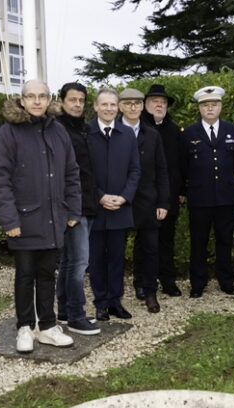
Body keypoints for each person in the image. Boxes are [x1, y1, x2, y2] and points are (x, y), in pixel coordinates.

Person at [0, 80, 82, 353]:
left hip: (55, 218)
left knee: (47, 274)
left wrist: (73, 210)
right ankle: (25, 327)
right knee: (25, 275)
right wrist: (10, 220)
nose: (37, 101)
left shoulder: (58, 131)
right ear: (22, 100)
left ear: (49, 98)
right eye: (31, 96)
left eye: (42, 96)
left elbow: (71, 173)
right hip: (24, 220)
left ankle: (48, 326)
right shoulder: (9, 132)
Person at [181, 86, 234, 298]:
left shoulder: (232, 130)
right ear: (199, 108)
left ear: (220, 107)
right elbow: (184, 165)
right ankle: (198, 283)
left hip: (225, 197)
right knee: (199, 242)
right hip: (200, 197)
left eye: (214, 104)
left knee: (225, 240)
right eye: (205, 105)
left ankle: (226, 281)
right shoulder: (189, 133)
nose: (210, 108)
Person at [86, 88, 141, 321]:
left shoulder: (127, 134)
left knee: (117, 258)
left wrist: (124, 196)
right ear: (96, 107)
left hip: (120, 207)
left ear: (118, 107)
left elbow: (135, 170)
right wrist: (100, 196)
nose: (108, 108)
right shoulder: (85, 133)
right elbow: (81, 173)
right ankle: (100, 302)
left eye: (112, 104)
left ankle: (115, 301)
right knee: (96, 258)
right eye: (104, 104)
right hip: (95, 208)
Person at [54, 82, 101, 336]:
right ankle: (76, 315)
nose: (77, 104)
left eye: (81, 100)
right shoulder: (58, 129)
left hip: (88, 204)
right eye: (72, 99)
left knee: (70, 260)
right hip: (73, 207)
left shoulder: (83, 129)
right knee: (79, 263)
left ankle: (63, 309)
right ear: (62, 101)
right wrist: (68, 209)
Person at [120, 88, 170, 313]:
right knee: (115, 250)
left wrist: (163, 202)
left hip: (148, 201)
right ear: (121, 106)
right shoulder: (113, 131)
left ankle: (148, 290)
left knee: (150, 248)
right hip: (119, 201)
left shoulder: (152, 135)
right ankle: (112, 296)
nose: (133, 108)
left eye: (137, 104)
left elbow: (162, 170)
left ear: (142, 107)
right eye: (128, 103)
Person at [141, 84, 184, 297]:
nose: (159, 105)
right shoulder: (137, 127)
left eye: (163, 103)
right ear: (145, 105)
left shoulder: (175, 131)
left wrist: (181, 190)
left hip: (169, 196)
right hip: (144, 197)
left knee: (167, 241)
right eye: (155, 102)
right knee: (144, 243)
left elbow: (180, 164)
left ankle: (168, 281)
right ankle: (142, 284)